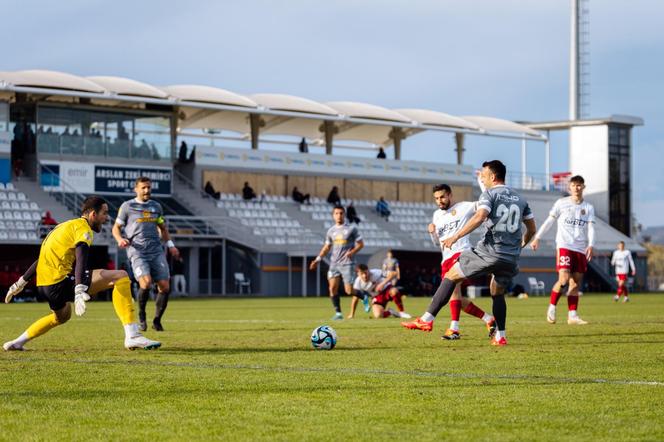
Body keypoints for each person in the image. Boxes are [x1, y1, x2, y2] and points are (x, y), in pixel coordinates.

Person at [402, 160, 536, 346]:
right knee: (497, 293)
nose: (482, 177)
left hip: (489, 251)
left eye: (483, 174)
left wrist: (456, 236)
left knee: (451, 276)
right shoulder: (521, 199)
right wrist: (520, 246)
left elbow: (480, 216)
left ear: (492, 176)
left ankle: (427, 319)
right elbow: (531, 229)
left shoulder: (489, 194)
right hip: (510, 258)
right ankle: (501, 336)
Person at [3, 196, 160, 351]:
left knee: (62, 317)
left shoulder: (63, 226)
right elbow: (81, 260)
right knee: (121, 276)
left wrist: (20, 283)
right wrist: (79, 290)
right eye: (104, 213)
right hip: (59, 282)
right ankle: (132, 336)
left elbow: (41, 260)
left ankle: (17, 342)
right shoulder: (83, 229)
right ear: (93, 214)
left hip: (44, 286)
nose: (106, 218)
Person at [424, 184, 496, 340]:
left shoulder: (464, 207)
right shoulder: (437, 215)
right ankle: (488, 319)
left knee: (454, 292)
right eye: (436, 198)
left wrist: (486, 188)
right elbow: (438, 243)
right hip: (446, 258)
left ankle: (454, 329)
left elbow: (483, 205)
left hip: (461, 253)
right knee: (455, 299)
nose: (439, 201)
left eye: (442, 197)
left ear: (450, 195)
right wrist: (432, 234)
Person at [112, 177, 180, 332]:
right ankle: (142, 316)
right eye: (143, 188)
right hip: (137, 250)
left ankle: (157, 320)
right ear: (136, 189)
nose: (146, 190)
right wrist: (119, 239)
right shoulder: (127, 206)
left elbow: (162, 228)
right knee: (146, 282)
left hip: (156, 251)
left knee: (164, 286)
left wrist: (171, 246)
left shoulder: (156, 207)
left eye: (148, 187)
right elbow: (116, 228)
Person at [531, 175, 595, 325]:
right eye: (574, 185)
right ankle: (552, 307)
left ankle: (572, 315)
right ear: (569, 187)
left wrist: (591, 244)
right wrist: (537, 237)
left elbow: (591, 228)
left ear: (583, 187)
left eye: (579, 185)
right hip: (564, 245)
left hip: (580, 248)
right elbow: (549, 221)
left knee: (575, 283)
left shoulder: (588, 207)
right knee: (564, 280)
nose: (576, 188)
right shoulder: (561, 203)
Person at [309, 206, 364, 320]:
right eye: (336, 213)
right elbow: (327, 247)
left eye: (341, 213)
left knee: (348, 291)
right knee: (332, 288)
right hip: (334, 264)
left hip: (347, 263)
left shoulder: (351, 229)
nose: (339, 215)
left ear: (344, 215)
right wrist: (317, 260)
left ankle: (364, 297)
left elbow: (361, 244)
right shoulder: (331, 231)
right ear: (333, 215)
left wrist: (352, 252)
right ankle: (338, 313)